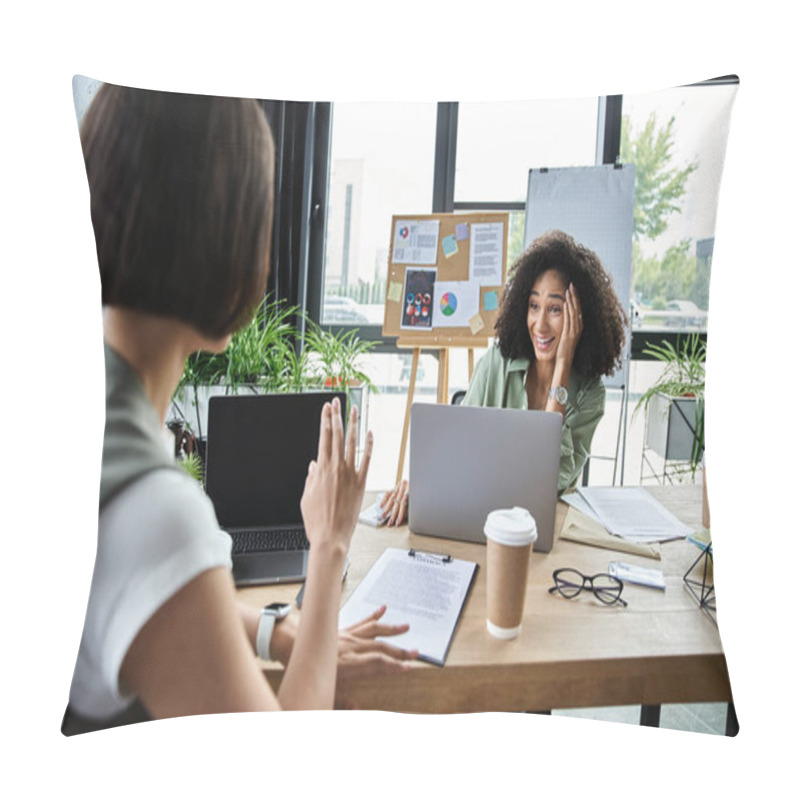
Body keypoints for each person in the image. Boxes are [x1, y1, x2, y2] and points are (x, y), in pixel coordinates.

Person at [63, 84, 416, 735]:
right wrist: (330, 545)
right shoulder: (152, 510)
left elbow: (157, 609)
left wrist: (284, 633)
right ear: (231, 248)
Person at [382, 229, 627, 526]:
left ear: (579, 318)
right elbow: (456, 454)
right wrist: (420, 486)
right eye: (534, 306)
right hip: (479, 518)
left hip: (538, 533)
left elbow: (547, 483)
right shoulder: (495, 364)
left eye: (555, 309)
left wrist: (562, 365)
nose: (540, 324)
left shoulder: (590, 394)